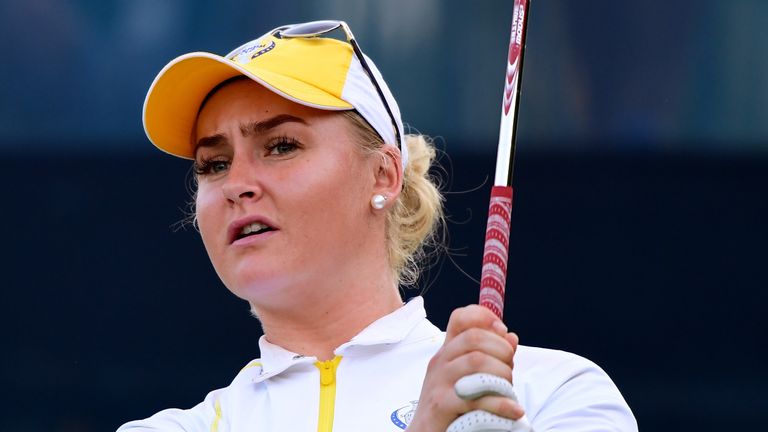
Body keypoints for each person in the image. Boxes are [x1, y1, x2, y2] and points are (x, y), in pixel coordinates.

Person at [119, 20, 637, 432]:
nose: (237, 183)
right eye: (214, 164)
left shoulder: (554, 392)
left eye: (280, 146)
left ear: (384, 174)